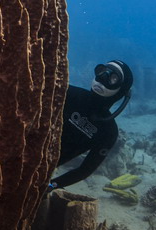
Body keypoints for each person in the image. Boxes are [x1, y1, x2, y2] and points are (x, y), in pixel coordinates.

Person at [48, 60, 133, 189]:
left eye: (113, 78)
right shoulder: (68, 93)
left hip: (42, 171)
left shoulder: (108, 132)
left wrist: (51, 186)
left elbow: (85, 169)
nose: (103, 78)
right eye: (103, 71)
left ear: (121, 90)